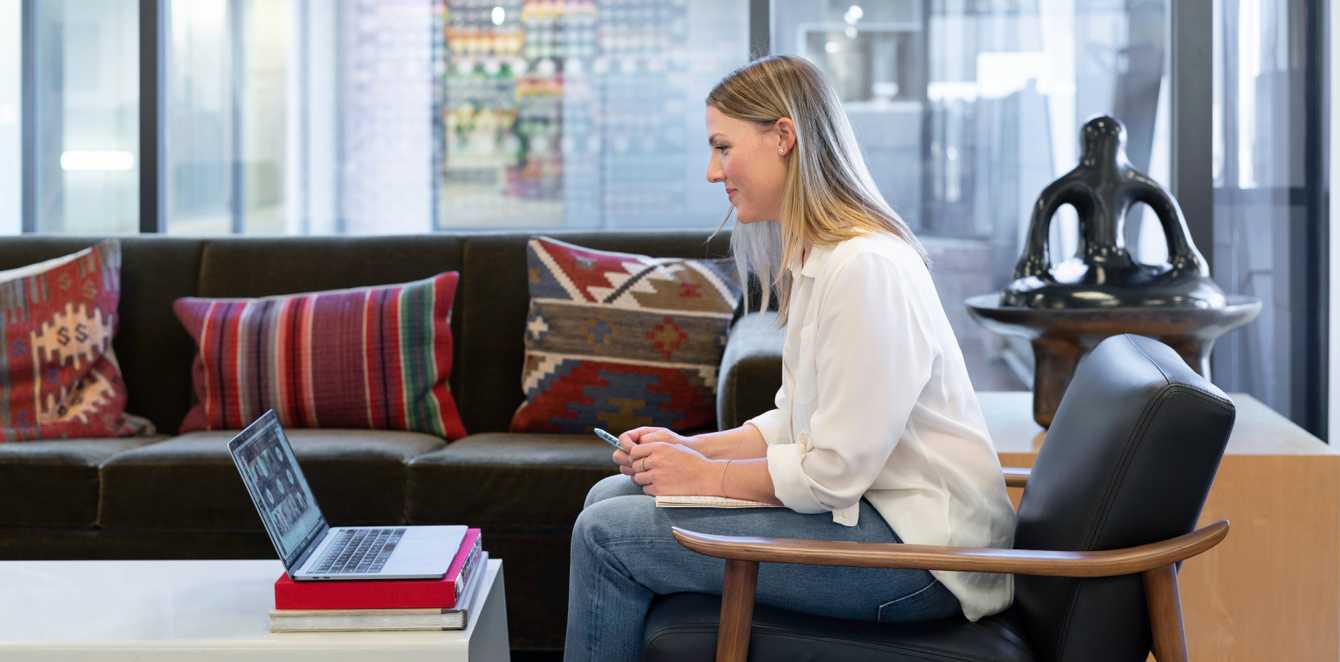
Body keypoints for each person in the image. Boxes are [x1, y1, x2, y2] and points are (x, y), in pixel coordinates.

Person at [563, 55, 1016, 662]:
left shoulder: (866, 269)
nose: (710, 171)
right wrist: (693, 448)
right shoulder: (823, 259)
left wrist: (705, 479)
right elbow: (795, 420)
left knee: (605, 536)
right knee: (610, 497)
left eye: (723, 147)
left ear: (783, 136)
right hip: (880, 524)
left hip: (924, 560)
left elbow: (832, 470)